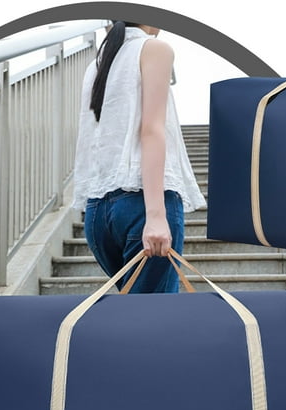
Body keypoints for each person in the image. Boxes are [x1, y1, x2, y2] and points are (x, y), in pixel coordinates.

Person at [72, 21, 206, 293]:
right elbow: (152, 130)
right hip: (141, 207)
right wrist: (156, 216)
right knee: (152, 316)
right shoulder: (154, 49)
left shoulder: (98, 63)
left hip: (98, 214)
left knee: (136, 312)